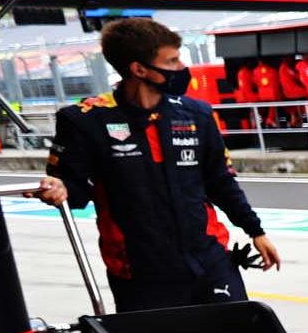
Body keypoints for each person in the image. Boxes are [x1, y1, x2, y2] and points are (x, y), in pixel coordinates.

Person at [31, 17, 281, 310]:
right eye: (172, 61)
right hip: (140, 273)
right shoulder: (85, 121)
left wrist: (256, 231)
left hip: (209, 262)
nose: (182, 68)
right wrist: (57, 190)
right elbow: (71, 189)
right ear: (139, 69)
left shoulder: (195, 115)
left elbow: (220, 181)